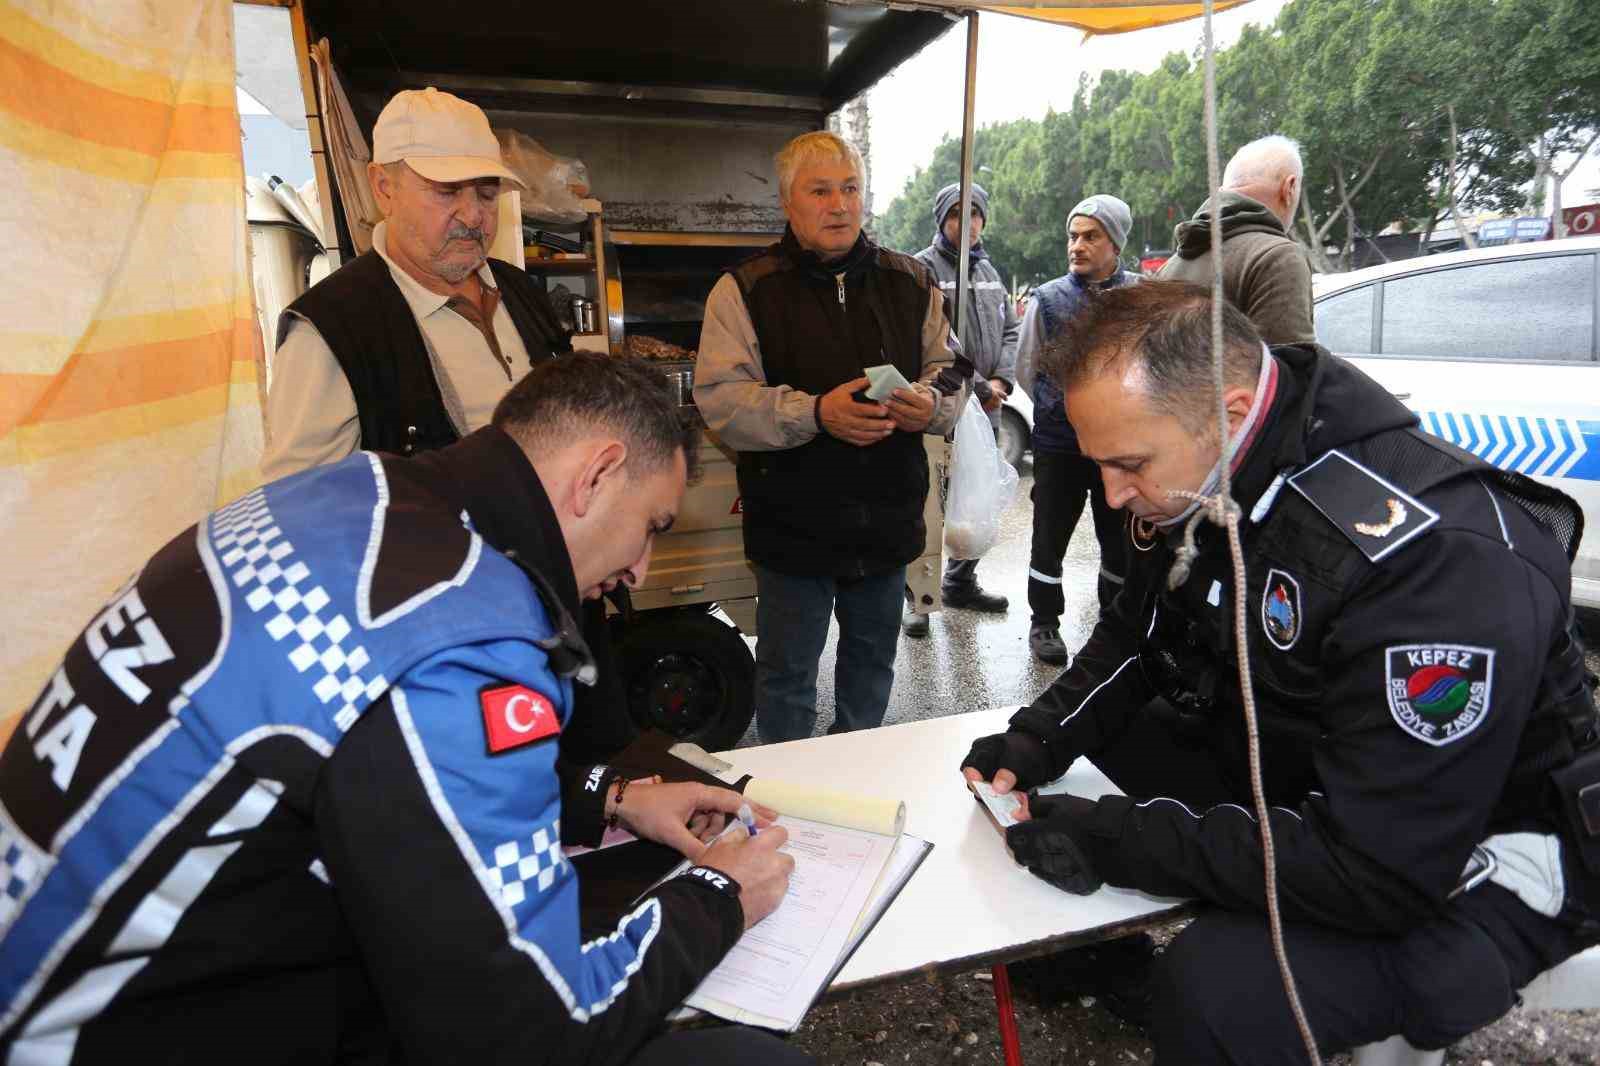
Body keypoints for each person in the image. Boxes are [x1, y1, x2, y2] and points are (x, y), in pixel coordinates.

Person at [0, 354, 807, 1066]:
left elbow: (381, 769)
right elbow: (525, 1038)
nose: (641, 568)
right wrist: (715, 897)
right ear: (596, 475)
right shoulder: (456, 632)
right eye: (652, 527)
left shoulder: (349, 496)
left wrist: (610, 798)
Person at [963, 282, 1600, 1063]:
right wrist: (1037, 738)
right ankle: (1097, 958)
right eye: (1102, 466)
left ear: (1231, 415)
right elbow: (1140, 633)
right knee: (1106, 744)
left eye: (1128, 465)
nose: (1113, 494)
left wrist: (1119, 840)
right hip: (1339, 762)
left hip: (1485, 847)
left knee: (1216, 994)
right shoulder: (1212, 465)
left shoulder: (1434, 561)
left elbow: (1378, 869)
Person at [263, 86, 630, 764]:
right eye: (445, 192)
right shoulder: (333, 328)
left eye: (486, 193)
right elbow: (300, 523)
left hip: (567, 629)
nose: (472, 215)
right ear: (383, 187)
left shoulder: (520, 293)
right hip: (446, 662)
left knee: (597, 789)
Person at [694, 131, 965, 743]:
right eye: (820, 191)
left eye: (850, 189)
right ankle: (787, 787)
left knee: (870, 672)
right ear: (787, 202)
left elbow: (952, 367)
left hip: (886, 526)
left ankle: (857, 770)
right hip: (794, 531)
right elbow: (721, 400)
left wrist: (931, 402)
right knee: (787, 678)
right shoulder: (745, 289)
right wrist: (816, 413)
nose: (839, 205)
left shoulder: (911, 280)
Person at [1014, 195, 1136, 666]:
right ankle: (1044, 622)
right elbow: (1027, 368)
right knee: (1049, 538)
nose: (1077, 245)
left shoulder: (1139, 297)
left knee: (1119, 541)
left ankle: (1115, 623)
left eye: (1090, 236)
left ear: (1115, 244)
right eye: (1073, 236)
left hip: (1117, 448)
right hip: (1059, 445)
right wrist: (1058, 408)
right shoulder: (1047, 299)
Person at [902, 181, 1021, 637]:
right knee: (927, 502)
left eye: (974, 214)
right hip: (944, 404)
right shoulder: (921, 269)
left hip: (986, 407)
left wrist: (1000, 381)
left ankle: (961, 582)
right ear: (942, 220)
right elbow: (936, 342)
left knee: (976, 497)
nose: (966, 223)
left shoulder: (990, 271)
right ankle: (918, 596)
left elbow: (1010, 331)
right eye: (956, 214)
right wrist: (977, 386)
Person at [1157, 134, 1315, 345]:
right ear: (1290, 188)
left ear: (1222, 192)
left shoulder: (1167, 269)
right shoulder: (1278, 258)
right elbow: (1290, 363)